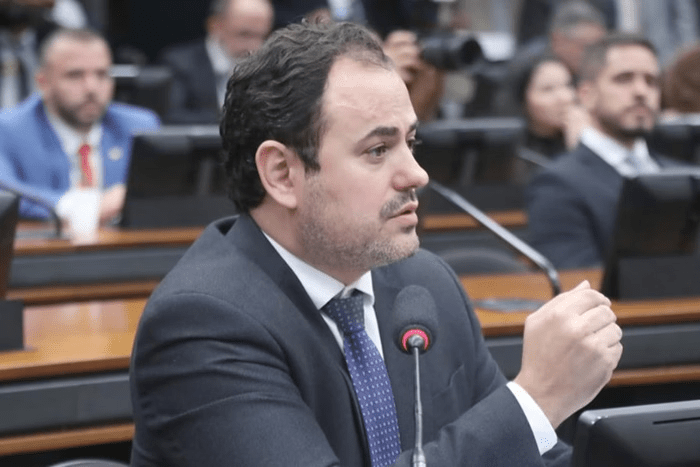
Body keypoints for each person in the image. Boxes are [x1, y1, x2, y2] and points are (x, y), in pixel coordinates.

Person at [130, 20, 622, 466]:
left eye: (412, 142)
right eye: (378, 149)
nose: (417, 174)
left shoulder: (426, 284)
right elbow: (517, 426)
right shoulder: (201, 323)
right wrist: (536, 400)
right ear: (282, 174)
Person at [526, 33, 683, 269]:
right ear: (586, 95)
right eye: (623, 79)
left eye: (651, 81)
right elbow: (577, 283)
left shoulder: (684, 175)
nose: (641, 91)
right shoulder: (557, 184)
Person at [0, 27, 160, 225]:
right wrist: (87, 208)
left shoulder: (139, 126)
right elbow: (4, 195)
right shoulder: (8, 129)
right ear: (43, 82)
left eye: (102, 74)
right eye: (75, 75)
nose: (91, 88)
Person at [158, 0, 273, 124]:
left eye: (262, 36)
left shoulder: (268, 68)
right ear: (214, 26)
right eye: (244, 34)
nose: (254, 46)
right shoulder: (178, 63)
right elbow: (170, 116)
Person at [496, 0, 607, 116]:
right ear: (557, 39)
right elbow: (506, 113)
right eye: (585, 47)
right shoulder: (528, 66)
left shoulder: (594, 67)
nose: (593, 55)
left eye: (598, 48)